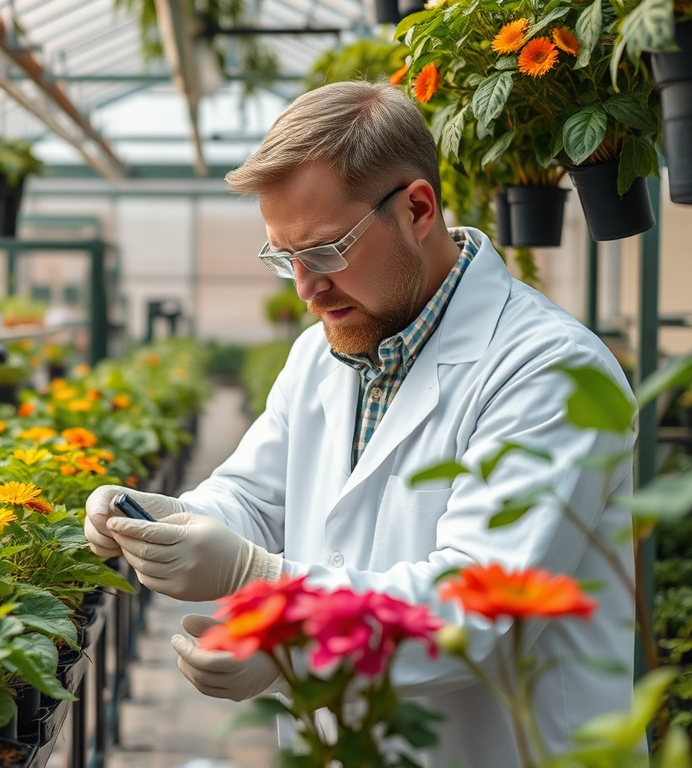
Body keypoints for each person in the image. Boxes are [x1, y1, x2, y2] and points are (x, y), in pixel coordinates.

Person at [84, 80, 636, 768]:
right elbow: (256, 495)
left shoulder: (550, 370)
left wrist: (288, 634)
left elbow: (482, 606)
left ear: (417, 208)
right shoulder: (321, 353)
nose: (305, 288)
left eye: (323, 251)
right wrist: (170, 518)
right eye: (284, 257)